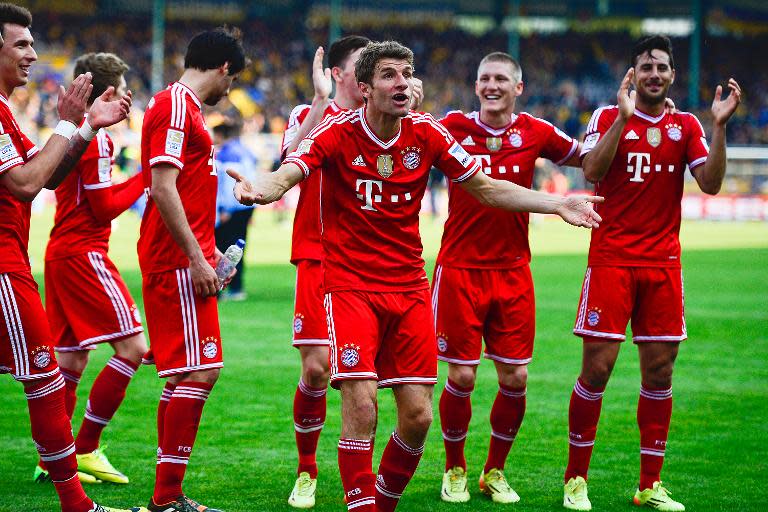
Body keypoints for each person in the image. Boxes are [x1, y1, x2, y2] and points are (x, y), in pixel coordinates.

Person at [229, 40, 602, 512]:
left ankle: (380, 501)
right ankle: (358, 501)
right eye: (389, 74)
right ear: (364, 88)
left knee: (419, 417)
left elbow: (486, 188)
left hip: (409, 288)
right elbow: (287, 174)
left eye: (407, 73)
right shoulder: (336, 132)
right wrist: (259, 189)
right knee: (362, 408)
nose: (402, 82)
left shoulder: (428, 134)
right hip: (350, 287)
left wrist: (555, 203)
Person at [562, 35, 741, 512]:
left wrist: (719, 128)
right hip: (611, 261)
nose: (654, 75)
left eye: (661, 67)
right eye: (646, 67)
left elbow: (712, 184)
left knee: (659, 373)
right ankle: (575, 479)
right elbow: (592, 172)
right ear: (633, 74)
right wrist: (622, 119)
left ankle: (649, 484)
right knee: (596, 371)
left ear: (672, 75)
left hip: (663, 265)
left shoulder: (687, 125)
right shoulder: (606, 115)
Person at [0, 3, 135, 512]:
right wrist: (66, 122)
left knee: (53, 372)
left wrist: (83, 127)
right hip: (8, 266)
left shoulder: (6, 112)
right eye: (21, 44)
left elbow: (47, 175)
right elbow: (25, 183)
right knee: (45, 377)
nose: (34, 54)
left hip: (23, 257)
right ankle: (77, 500)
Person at [281, 35, 424, 508]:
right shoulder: (312, 117)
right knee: (318, 368)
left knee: (369, 386)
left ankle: (370, 491)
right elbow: (289, 164)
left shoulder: (391, 122)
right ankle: (306, 467)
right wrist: (321, 102)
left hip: (374, 265)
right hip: (318, 253)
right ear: (345, 77)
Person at [433, 52, 582, 505]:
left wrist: (629, 120)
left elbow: (588, 157)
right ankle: (454, 467)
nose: (491, 85)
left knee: (515, 378)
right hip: (459, 269)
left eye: (500, 79)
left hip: (514, 272)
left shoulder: (536, 131)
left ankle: (494, 470)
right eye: (484, 79)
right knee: (461, 376)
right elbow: (404, 137)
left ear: (519, 87)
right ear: (475, 85)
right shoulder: (451, 126)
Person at [137, 27, 245, 512]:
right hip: (176, 261)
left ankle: (168, 495)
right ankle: (166, 498)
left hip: (184, 256)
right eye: (233, 78)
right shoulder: (177, 107)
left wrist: (210, 250)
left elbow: (185, 193)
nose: (231, 88)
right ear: (223, 68)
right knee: (201, 373)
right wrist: (198, 258)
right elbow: (162, 188)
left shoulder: (182, 108)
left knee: (187, 375)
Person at [40, 52, 146, 486]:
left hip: (59, 253)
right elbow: (102, 209)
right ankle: (84, 448)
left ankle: (54, 457)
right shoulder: (99, 139)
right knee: (133, 350)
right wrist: (147, 177)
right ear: (108, 93)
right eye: (123, 90)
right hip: (84, 252)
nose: (127, 98)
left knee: (70, 360)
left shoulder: (71, 135)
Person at [213, 118, 256, 301]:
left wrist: (224, 210)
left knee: (224, 248)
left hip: (231, 207)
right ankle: (237, 287)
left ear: (221, 135)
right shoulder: (247, 152)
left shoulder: (226, 154)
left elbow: (228, 185)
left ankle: (221, 287)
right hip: (247, 206)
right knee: (239, 247)